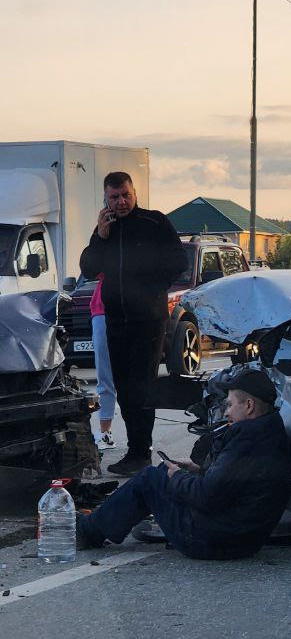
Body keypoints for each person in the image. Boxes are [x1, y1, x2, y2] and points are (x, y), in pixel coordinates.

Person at [76, 369, 291, 560]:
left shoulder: (247, 440)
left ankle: (88, 531)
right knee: (163, 472)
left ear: (249, 405)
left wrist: (178, 476)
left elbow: (206, 496)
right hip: (241, 537)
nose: (226, 412)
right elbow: (235, 484)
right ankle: (108, 522)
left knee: (150, 479)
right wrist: (199, 470)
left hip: (213, 540)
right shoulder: (268, 432)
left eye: (229, 405)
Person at [79, 172, 188, 475]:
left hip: (149, 319)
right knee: (124, 387)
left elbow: (179, 261)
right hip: (116, 320)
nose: (121, 202)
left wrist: (153, 286)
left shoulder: (155, 222)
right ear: (106, 199)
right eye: (114, 197)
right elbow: (88, 268)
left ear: (134, 193)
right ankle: (134, 451)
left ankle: (142, 450)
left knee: (142, 385)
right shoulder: (105, 230)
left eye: (125, 195)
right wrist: (100, 237)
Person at [90, 276, 116, 450]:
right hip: (103, 311)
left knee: (105, 375)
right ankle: (106, 433)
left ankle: (105, 434)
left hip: (105, 311)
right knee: (107, 376)